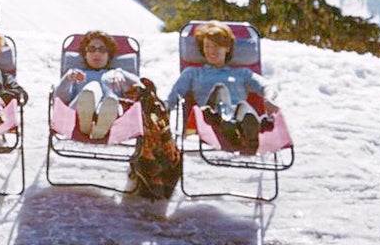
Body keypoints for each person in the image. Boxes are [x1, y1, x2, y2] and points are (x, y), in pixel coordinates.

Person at [164, 21, 279, 155]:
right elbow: (173, 96)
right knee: (220, 90)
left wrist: (269, 99)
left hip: (237, 118)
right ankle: (230, 126)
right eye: (207, 46)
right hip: (210, 118)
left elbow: (267, 86)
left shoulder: (242, 73)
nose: (212, 50)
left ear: (227, 48)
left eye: (217, 46)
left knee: (244, 108)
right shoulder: (192, 72)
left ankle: (247, 133)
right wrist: (163, 108)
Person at [53, 30, 141, 140]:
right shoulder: (77, 74)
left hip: (113, 114)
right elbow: (60, 99)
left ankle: (101, 126)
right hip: (77, 112)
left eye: (103, 50)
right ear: (85, 54)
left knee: (110, 100)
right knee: (92, 88)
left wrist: (123, 74)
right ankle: (85, 121)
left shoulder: (116, 74)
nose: (97, 53)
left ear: (109, 55)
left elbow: (141, 88)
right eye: (91, 49)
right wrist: (68, 79)